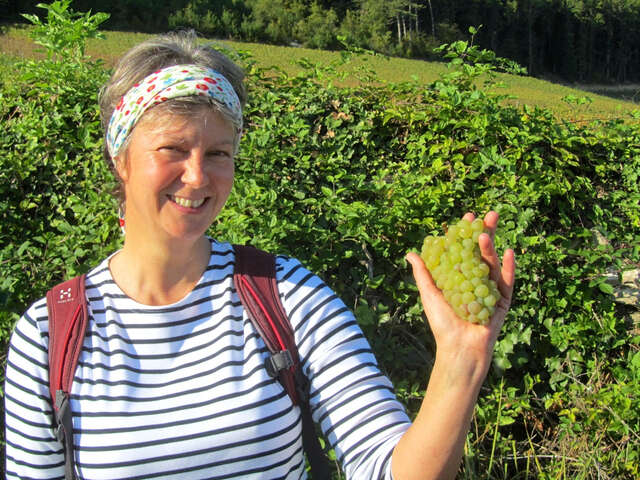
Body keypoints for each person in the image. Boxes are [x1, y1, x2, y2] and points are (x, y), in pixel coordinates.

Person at [4, 31, 515, 480]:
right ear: (121, 159)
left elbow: (388, 469)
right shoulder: (52, 335)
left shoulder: (289, 295)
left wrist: (462, 360)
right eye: (173, 150)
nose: (198, 176)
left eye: (219, 153)